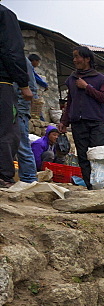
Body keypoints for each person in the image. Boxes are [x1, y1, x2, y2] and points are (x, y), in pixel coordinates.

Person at [59, 46, 104, 188]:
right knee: (83, 156)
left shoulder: (100, 79)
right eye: (73, 57)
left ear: (87, 59)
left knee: (97, 156)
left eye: (77, 57)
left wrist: (87, 87)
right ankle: (90, 186)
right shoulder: (71, 80)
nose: (74, 60)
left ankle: (100, 186)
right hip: (78, 123)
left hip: (97, 123)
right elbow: (70, 102)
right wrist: (64, 121)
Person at [1, 4, 31, 188]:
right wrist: (23, 83)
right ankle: (3, 175)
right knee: (6, 130)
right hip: (2, 83)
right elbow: (12, 50)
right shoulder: (5, 15)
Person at [15, 56, 38, 184]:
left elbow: (31, 90)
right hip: (9, 108)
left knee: (22, 145)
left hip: (18, 110)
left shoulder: (21, 61)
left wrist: (21, 108)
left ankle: (29, 180)